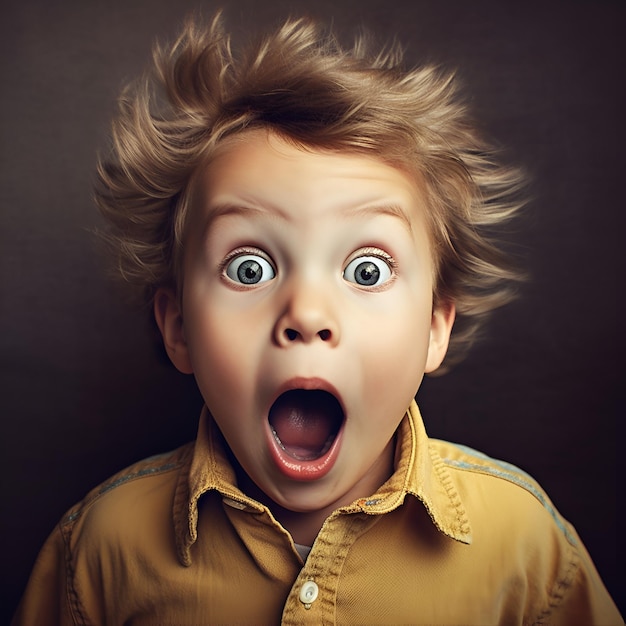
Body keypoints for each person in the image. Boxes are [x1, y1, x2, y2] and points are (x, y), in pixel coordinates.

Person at [12, 12, 622, 626]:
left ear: (436, 326)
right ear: (177, 328)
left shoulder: (525, 548)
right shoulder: (100, 551)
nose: (306, 315)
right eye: (249, 269)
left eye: (366, 271)